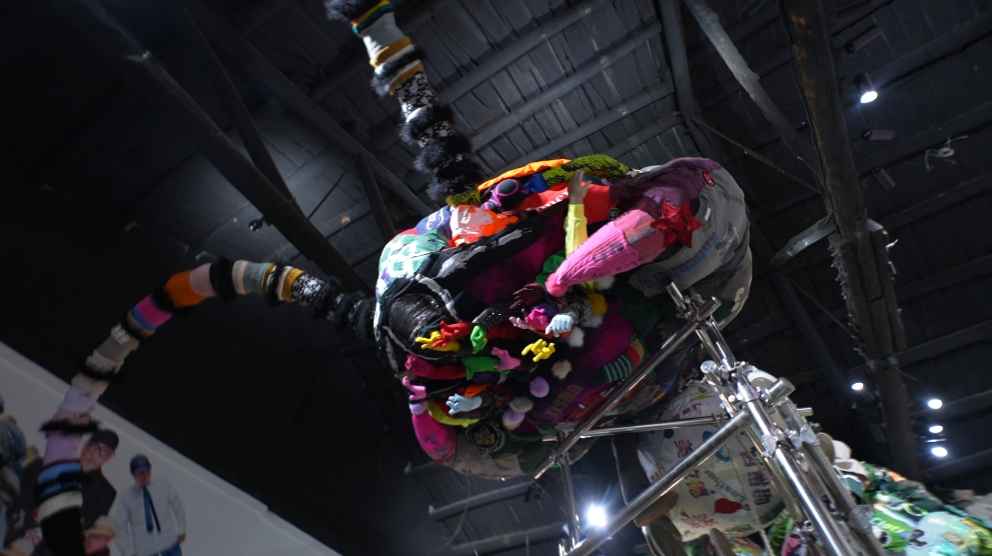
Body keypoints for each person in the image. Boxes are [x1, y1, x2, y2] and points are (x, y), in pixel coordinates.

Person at [5, 429, 118, 551]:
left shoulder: (106, 493)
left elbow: (86, 531)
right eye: (93, 447)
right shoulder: (44, 464)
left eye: (104, 451)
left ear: (110, 456)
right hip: (8, 534)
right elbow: (11, 496)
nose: (95, 454)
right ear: (85, 446)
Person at [115, 456, 185, 556]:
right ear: (132, 473)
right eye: (139, 473)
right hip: (145, 550)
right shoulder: (126, 497)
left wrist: (182, 528)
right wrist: (127, 551)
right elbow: (120, 526)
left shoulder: (163, 485)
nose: (144, 476)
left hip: (169, 543)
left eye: (146, 471)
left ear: (150, 468)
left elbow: (177, 506)